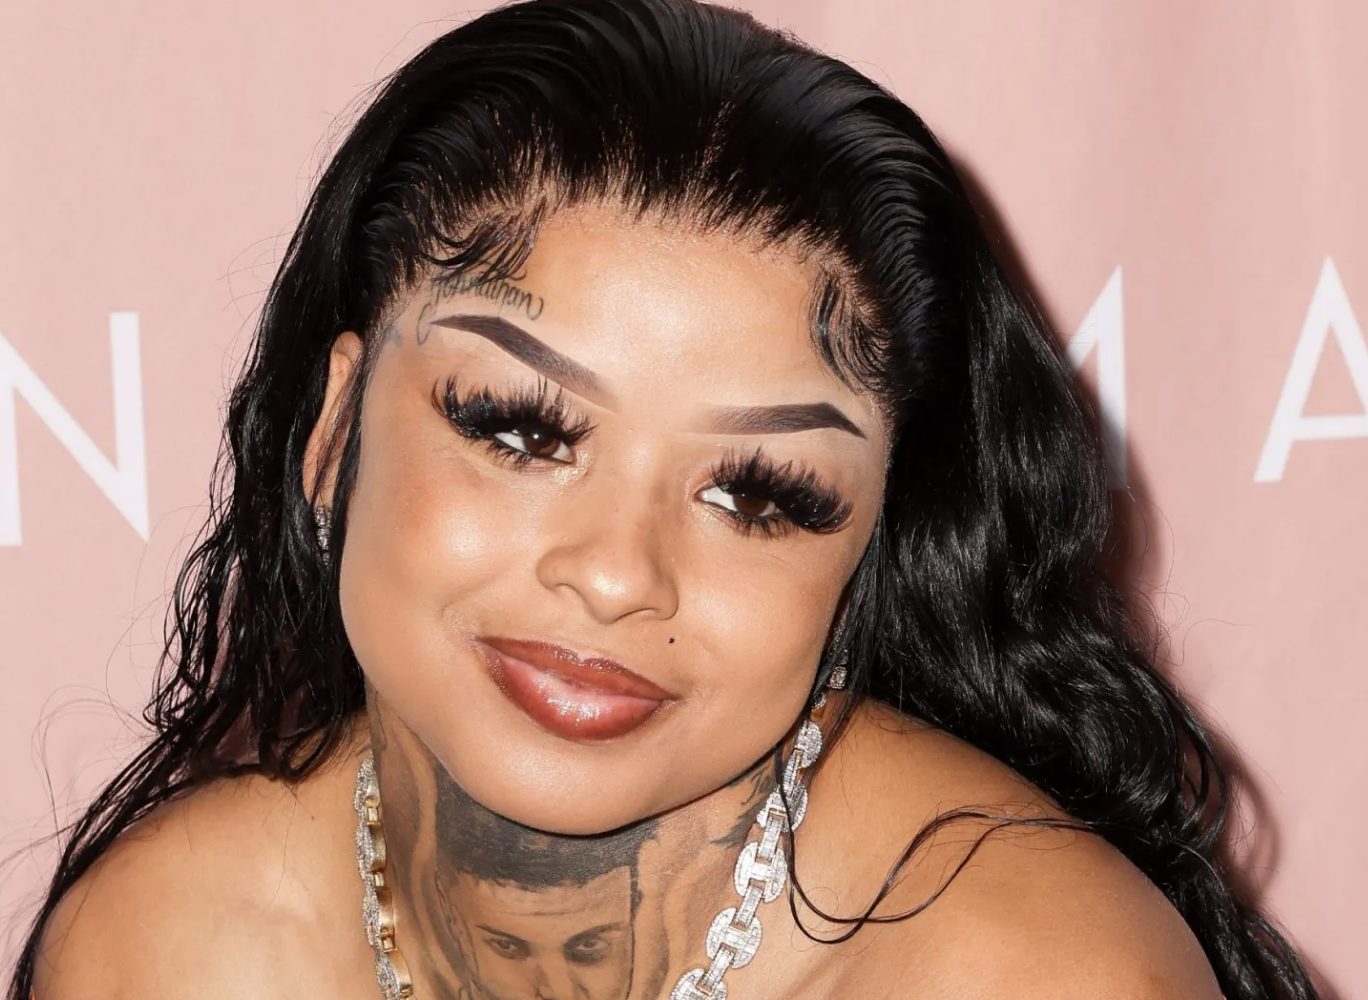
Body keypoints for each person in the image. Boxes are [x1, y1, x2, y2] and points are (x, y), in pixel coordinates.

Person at [13, 1, 1318, 998]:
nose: (617, 572)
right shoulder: (166, 946)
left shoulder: (1032, 970)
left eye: (759, 495)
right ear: (335, 429)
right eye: (522, 429)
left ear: (869, 549)